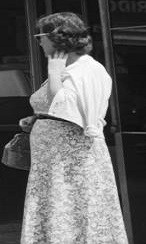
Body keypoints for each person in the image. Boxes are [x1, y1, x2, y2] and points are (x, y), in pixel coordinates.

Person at [20, 12, 128, 243]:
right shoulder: (68, 67)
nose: (38, 41)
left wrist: (54, 72)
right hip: (54, 159)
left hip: (71, 159)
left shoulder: (86, 69)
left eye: (40, 36)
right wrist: (38, 118)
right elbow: (57, 108)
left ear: (57, 37)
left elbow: (64, 104)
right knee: (59, 203)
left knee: (72, 203)